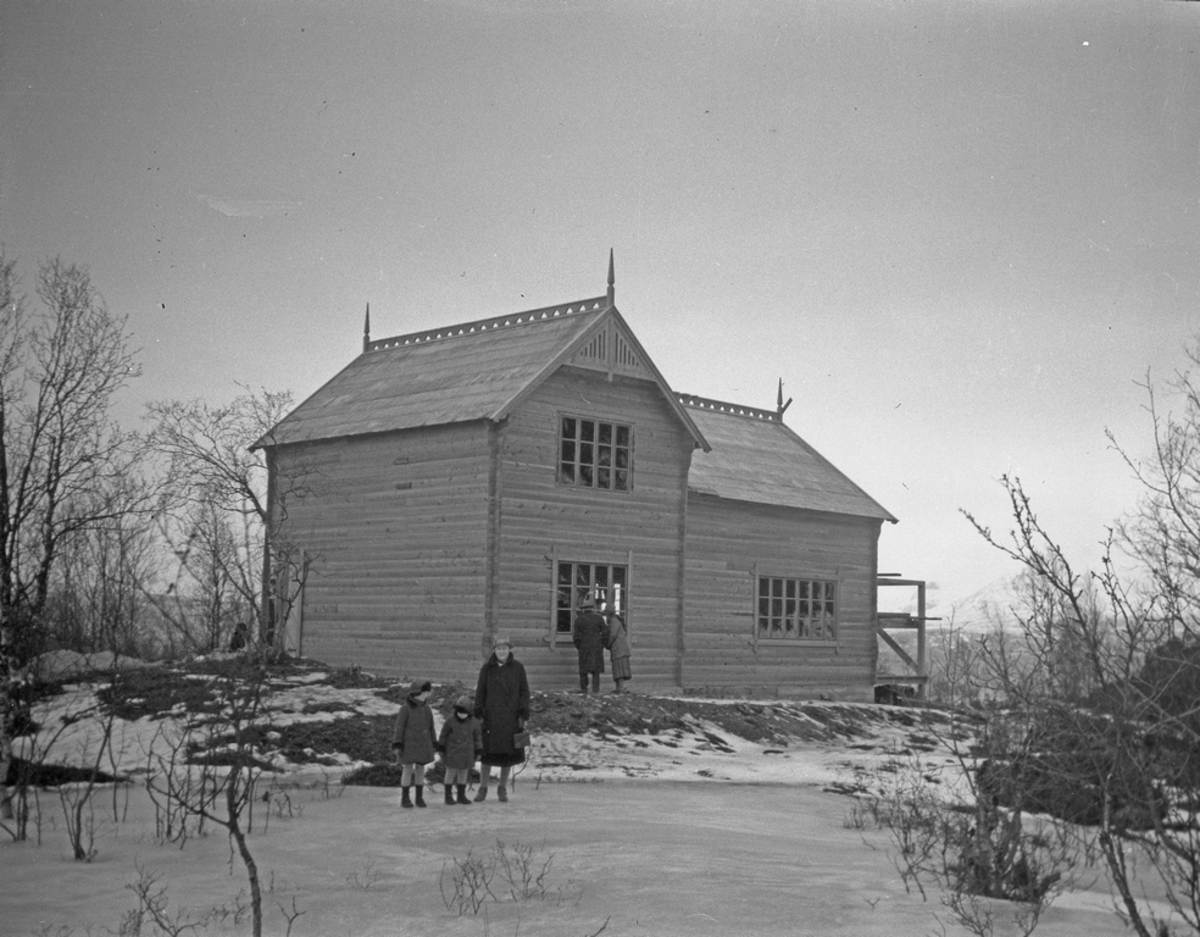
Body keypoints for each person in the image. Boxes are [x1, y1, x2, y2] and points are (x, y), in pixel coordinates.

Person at [473, 633, 529, 803]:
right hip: (491, 718)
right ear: (494, 650)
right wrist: (479, 714)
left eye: (505, 648)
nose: (502, 651)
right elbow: (480, 693)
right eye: (499, 648)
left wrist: (523, 713)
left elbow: (524, 692)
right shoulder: (486, 669)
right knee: (487, 755)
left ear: (509, 650)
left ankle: (501, 788)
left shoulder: (518, 668)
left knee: (507, 756)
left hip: (510, 718)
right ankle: (482, 788)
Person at [392, 679, 437, 808]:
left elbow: (431, 727)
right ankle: (405, 798)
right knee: (407, 769)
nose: (428, 693)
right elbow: (399, 727)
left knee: (420, 769)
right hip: (408, 745)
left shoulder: (427, 708)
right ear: (420, 692)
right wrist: (397, 743)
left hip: (423, 744)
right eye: (426, 691)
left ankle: (419, 797)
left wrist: (434, 742)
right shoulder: (405, 708)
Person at [437, 696, 482, 806]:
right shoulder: (450, 721)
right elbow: (443, 735)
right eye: (459, 711)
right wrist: (441, 747)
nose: (461, 714)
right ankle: (448, 796)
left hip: (467, 753)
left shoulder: (474, 723)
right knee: (450, 772)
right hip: (452, 752)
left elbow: (478, 738)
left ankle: (461, 796)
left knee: (463, 773)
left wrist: (479, 750)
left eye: (464, 712)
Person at [573, 600, 608, 695]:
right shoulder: (599, 618)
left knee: (583, 669)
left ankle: (584, 688)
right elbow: (605, 633)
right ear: (592, 609)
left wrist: (579, 646)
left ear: (583, 609)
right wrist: (602, 644)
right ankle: (595, 689)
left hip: (584, 646)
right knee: (596, 669)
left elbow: (576, 637)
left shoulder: (579, 620)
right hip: (596, 645)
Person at [603, 605, 632, 694]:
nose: (606, 617)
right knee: (618, 668)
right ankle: (619, 688)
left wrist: (608, 644)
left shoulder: (614, 621)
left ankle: (621, 688)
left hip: (618, 648)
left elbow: (613, 634)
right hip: (620, 648)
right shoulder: (616, 620)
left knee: (619, 668)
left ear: (609, 614)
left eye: (606, 615)